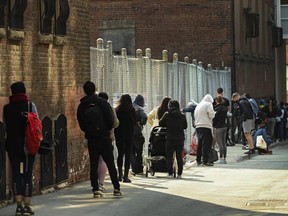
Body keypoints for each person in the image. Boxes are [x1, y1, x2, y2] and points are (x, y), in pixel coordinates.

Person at [77, 81, 122, 198]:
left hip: (92, 139)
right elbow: (111, 120)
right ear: (95, 89)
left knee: (93, 164)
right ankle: (116, 188)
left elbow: (81, 124)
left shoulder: (82, 106)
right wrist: (105, 130)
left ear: (84, 90)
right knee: (110, 163)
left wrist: (89, 131)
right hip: (104, 138)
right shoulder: (102, 103)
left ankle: (95, 189)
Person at [3, 82, 38, 215]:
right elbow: (37, 125)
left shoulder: (7, 108)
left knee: (16, 173)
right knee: (27, 174)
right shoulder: (30, 106)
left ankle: (18, 206)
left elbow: (6, 127)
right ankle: (27, 206)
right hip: (28, 145)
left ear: (12, 92)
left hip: (12, 146)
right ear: (24, 91)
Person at [159, 100, 187, 178]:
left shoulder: (167, 114)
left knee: (169, 156)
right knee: (179, 156)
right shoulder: (182, 115)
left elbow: (160, 123)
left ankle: (170, 173)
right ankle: (180, 174)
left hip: (170, 138)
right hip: (180, 138)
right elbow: (185, 126)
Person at [97, 92, 119, 192]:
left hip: (93, 137)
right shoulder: (110, 108)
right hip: (106, 137)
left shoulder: (93, 107)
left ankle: (95, 184)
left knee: (95, 161)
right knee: (105, 160)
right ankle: (101, 182)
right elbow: (115, 123)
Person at [114, 94, 137, 183]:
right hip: (129, 135)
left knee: (120, 154)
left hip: (119, 134)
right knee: (127, 154)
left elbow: (115, 121)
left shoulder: (117, 110)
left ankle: (120, 175)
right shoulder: (132, 110)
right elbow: (134, 122)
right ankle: (126, 176)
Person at [194, 94, 215, 166]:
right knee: (207, 143)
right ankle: (205, 161)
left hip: (198, 126)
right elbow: (211, 115)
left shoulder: (198, 105)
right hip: (206, 126)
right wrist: (214, 114)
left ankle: (198, 160)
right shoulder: (208, 104)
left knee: (200, 143)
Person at [131, 94, 148, 175]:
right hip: (137, 133)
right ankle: (139, 169)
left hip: (128, 133)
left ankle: (133, 168)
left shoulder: (129, 107)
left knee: (131, 152)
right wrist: (141, 123)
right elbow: (145, 117)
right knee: (139, 151)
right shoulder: (140, 109)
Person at [213, 96, 228, 164]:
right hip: (224, 126)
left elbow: (215, 118)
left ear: (216, 101)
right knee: (224, 143)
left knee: (219, 143)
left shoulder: (217, 109)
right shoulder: (224, 108)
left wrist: (213, 124)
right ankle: (224, 158)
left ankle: (221, 158)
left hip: (218, 127)